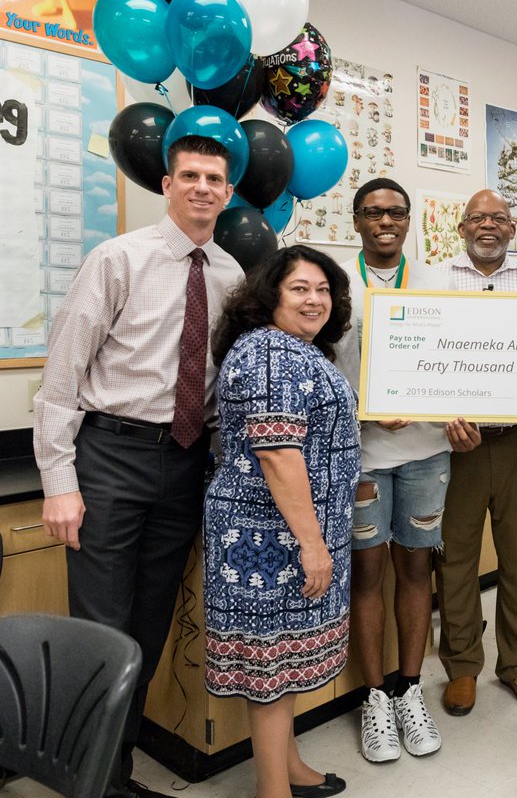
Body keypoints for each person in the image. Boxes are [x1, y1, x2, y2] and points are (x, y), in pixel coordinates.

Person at [34, 135, 244, 798]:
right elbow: (62, 379)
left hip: (183, 465)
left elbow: (216, 387)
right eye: (191, 176)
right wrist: (60, 485)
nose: (203, 187)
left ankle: (112, 774)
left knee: (148, 630)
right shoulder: (117, 259)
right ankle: (88, 783)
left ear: (229, 191)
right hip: (110, 458)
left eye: (215, 177)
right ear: (167, 183)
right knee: (100, 628)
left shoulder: (231, 276)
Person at [204, 246, 358, 798]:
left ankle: (289, 766)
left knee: (283, 662)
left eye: (323, 289)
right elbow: (278, 454)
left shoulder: (299, 350)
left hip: (289, 532)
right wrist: (313, 546)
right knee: (270, 670)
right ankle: (273, 790)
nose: (314, 300)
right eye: (300, 288)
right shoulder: (271, 352)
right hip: (268, 539)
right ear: (270, 294)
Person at [333, 178, 475, 762]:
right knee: (366, 576)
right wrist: (367, 409)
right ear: (358, 220)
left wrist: (470, 416)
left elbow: (466, 353)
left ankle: (410, 689)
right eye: (373, 212)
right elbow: (318, 361)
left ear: (409, 220)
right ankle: (374, 698)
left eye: (395, 212)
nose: (385, 221)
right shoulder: (336, 281)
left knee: (416, 572)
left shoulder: (440, 281)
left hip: (426, 453)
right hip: (362, 454)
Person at [435, 189, 517, 715]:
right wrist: (442, 417)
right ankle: (462, 666)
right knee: (457, 562)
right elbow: (422, 359)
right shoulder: (435, 280)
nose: (487, 226)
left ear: (514, 229)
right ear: (461, 227)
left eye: (498, 218)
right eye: (477, 218)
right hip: (457, 445)